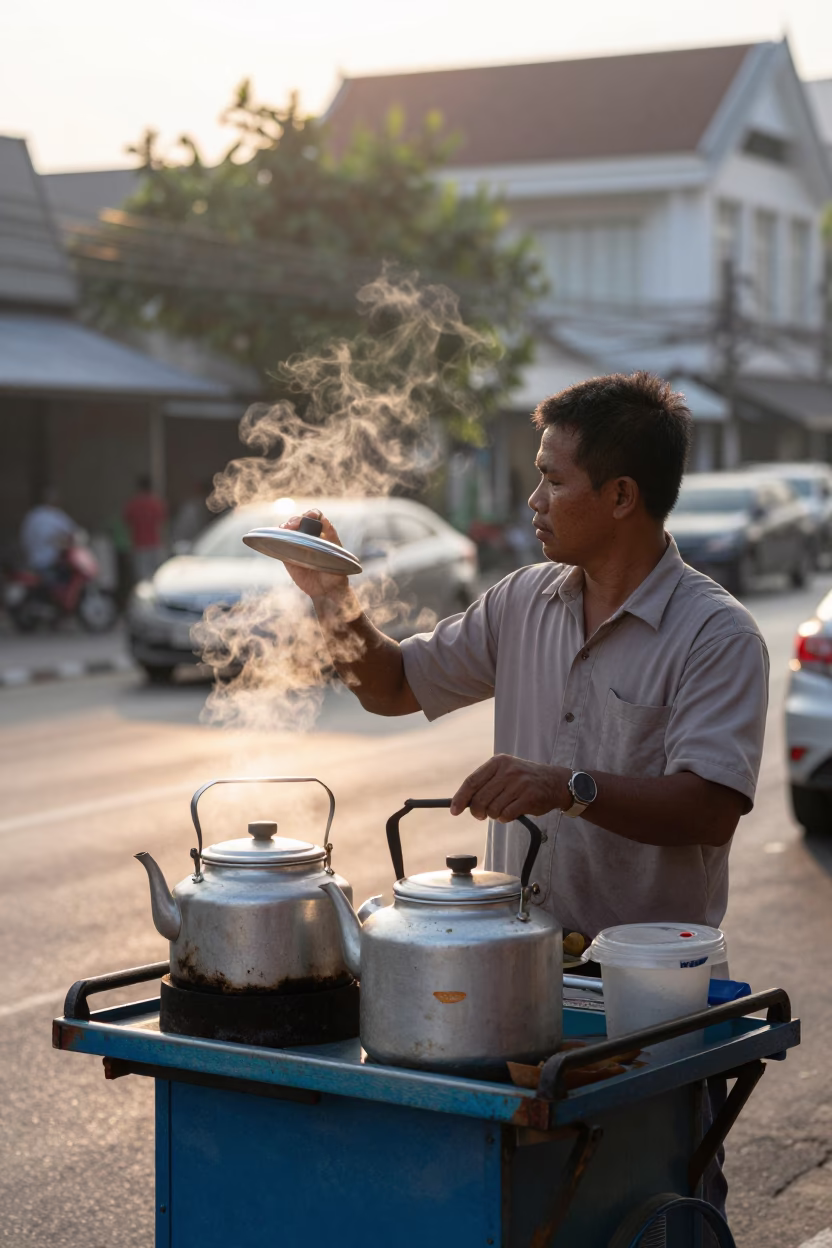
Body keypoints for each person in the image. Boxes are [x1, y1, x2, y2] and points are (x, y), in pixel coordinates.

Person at [280, 371, 769, 1229]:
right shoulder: (523, 601)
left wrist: (568, 785)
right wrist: (333, 602)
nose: (534, 498)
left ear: (621, 496)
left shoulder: (715, 634)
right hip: (518, 991)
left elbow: (709, 806)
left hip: (642, 1007)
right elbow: (392, 686)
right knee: (523, 1212)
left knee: (653, 1210)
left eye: (553, 479)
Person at [20, 487, 77, 578]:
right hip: (50, 562)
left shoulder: (32, 515)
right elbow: (73, 533)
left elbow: (24, 539)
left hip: (33, 560)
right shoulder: (56, 516)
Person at [124, 474, 167, 583]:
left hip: (140, 545)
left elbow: (127, 523)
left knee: (142, 580)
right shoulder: (156, 503)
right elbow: (162, 524)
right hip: (155, 544)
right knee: (157, 577)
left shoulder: (134, 504)